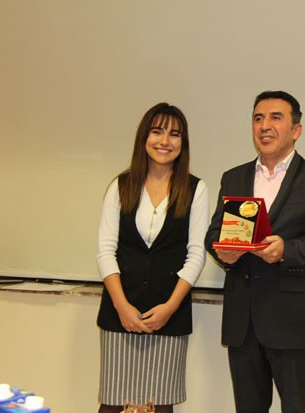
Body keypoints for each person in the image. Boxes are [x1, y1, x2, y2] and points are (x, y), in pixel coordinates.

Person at [205, 91, 305, 413]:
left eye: (275, 117)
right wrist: (222, 251)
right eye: (258, 118)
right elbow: (214, 234)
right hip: (242, 322)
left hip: (292, 322)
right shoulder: (234, 177)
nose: (264, 126)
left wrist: (288, 250)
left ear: (296, 130)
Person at [96, 103, 209, 413]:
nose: (165, 141)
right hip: (120, 314)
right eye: (157, 132)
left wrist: (170, 308)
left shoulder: (195, 189)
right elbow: (105, 250)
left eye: (175, 134)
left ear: (183, 142)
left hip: (169, 316)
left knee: (159, 406)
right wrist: (122, 306)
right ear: (143, 137)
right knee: (113, 405)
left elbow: (196, 255)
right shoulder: (120, 186)